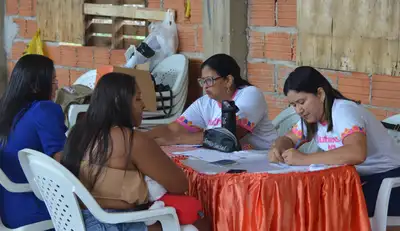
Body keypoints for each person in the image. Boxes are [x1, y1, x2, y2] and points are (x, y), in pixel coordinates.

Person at [61, 72, 210, 231]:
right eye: (138, 99)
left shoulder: (78, 132)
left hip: (77, 220)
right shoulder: (131, 140)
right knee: (200, 220)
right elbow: (179, 184)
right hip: (113, 224)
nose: (143, 105)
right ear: (120, 102)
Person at [268, 66, 400, 217]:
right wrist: (279, 148)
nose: (298, 110)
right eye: (294, 105)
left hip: (389, 181)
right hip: (359, 180)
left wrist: (303, 159)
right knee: (301, 201)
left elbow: (357, 153)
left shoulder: (343, 111)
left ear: (320, 93)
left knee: (319, 208)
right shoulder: (314, 117)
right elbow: (288, 139)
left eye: (302, 102)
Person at [147, 53, 277, 150]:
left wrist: (176, 140)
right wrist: (142, 138)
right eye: (203, 82)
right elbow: (173, 129)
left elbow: (227, 136)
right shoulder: (205, 103)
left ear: (228, 80)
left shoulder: (250, 94)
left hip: (265, 162)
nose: (205, 86)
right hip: (232, 162)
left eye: (209, 80)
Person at [0, 54, 67, 228]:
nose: (57, 86)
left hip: (8, 210)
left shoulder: (6, 112)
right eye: (53, 81)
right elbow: (62, 166)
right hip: (38, 209)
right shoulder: (45, 110)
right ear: (36, 86)